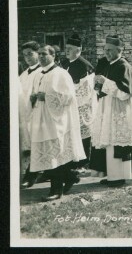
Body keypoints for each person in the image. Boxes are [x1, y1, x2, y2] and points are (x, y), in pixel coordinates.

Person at [29, 45, 86, 201]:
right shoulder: (37, 74)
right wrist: (33, 97)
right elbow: (34, 93)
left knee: (56, 154)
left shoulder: (61, 74)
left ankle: (56, 190)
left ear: (53, 55)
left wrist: (47, 96)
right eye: (39, 54)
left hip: (57, 120)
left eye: (44, 54)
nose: (41, 57)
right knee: (50, 154)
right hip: (42, 119)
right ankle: (70, 177)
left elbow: (68, 97)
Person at [91, 35, 132, 187]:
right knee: (109, 142)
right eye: (105, 50)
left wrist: (104, 82)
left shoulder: (124, 66)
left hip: (120, 111)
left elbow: (124, 93)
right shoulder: (109, 64)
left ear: (119, 50)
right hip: (109, 109)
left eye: (110, 50)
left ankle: (119, 176)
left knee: (118, 142)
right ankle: (111, 175)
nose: (106, 53)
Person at [60, 34, 96, 173]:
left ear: (78, 50)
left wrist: (71, 99)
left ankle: (83, 163)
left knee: (83, 133)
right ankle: (71, 160)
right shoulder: (64, 63)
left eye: (70, 48)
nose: (66, 51)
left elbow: (86, 90)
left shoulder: (84, 66)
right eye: (66, 48)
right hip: (68, 105)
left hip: (82, 106)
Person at [19, 41, 43, 188]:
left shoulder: (41, 72)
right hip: (24, 114)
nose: (27, 57)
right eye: (24, 55)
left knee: (37, 144)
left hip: (37, 113)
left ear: (38, 53)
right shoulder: (23, 74)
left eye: (30, 54)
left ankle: (32, 174)